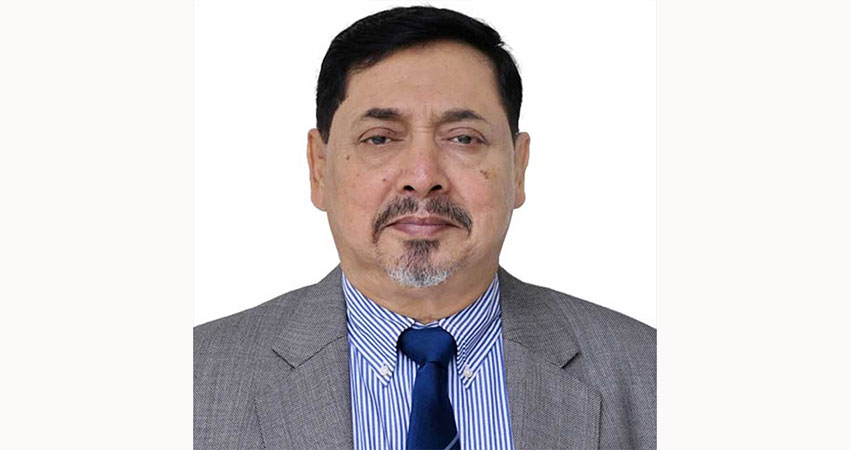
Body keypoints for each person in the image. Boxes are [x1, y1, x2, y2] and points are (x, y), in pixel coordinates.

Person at [194, 6, 655, 450]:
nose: (422, 175)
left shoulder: (651, 371)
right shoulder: (195, 379)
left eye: (463, 138)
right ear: (319, 168)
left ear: (518, 169)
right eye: (379, 138)